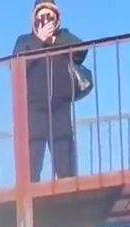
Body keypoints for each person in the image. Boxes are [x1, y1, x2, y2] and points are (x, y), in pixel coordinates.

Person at [13, 0, 93, 182]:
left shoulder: (64, 37)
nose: (46, 21)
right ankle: (30, 192)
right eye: (41, 17)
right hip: (34, 108)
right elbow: (16, 65)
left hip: (60, 106)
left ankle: (69, 194)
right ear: (34, 20)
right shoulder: (25, 41)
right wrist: (39, 42)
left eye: (50, 16)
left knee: (65, 157)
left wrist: (55, 41)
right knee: (32, 156)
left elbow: (81, 50)